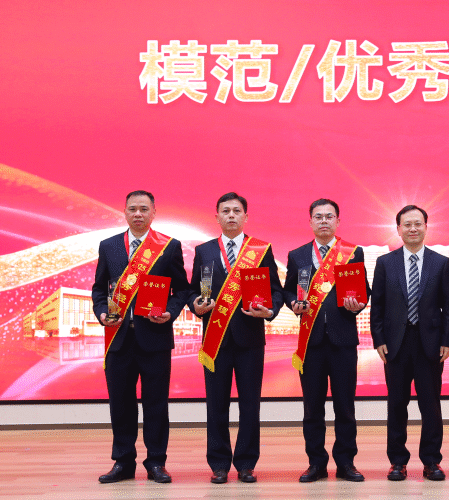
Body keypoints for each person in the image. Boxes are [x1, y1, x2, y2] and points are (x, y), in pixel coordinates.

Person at [91, 190, 190, 484]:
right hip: (118, 338)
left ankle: (156, 462)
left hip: (155, 337)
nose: (138, 214)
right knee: (120, 404)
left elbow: (182, 290)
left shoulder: (169, 247)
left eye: (144, 209)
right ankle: (123, 462)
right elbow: (98, 290)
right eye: (133, 208)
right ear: (124, 212)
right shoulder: (109, 246)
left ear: (153, 213)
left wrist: (170, 312)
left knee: (156, 404)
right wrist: (101, 313)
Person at [190, 192, 282, 484]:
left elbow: (276, 291)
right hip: (215, 340)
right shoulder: (204, 250)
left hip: (250, 340)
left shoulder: (261, 249)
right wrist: (195, 304)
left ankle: (246, 463)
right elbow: (192, 290)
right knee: (216, 404)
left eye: (236, 211)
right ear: (216, 216)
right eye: (225, 211)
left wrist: (270, 310)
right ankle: (218, 464)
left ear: (246, 216)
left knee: (250, 405)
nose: (231, 215)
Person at [283, 198, 369, 483]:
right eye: (318, 216)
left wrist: (359, 304)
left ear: (338, 221)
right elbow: (288, 291)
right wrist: (293, 302)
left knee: (345, 406)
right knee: (312, 408)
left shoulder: (353, 253)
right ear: (310, 222)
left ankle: (346, 463)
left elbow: (364, 290)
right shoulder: (297, 255)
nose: (323, 221)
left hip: (343, 341)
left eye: (329, 216)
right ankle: (316, 463)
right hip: (311, 343)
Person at [370, 205, 449, 482]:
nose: (413, 229)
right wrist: (378, 339)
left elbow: (448, 307)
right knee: (397, 404)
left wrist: (448, 340)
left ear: (426, 227)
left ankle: (431, 461)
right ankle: (398, 461)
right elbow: (377, 306)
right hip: (395, 344)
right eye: (407, 224)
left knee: (430, 405)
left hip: (430, 344)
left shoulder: (441, 263)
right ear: (398, 229)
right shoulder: (386, 263)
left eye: (418, 223)